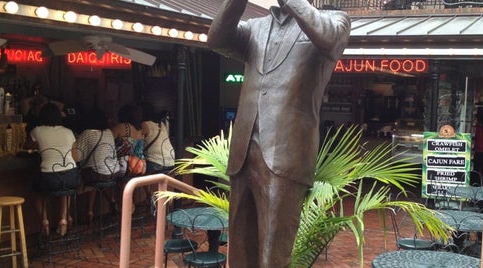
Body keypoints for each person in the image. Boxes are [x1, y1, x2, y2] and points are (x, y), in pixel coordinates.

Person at [208, 0, 351, 266]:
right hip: (243, 153)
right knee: (239, 249)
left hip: (285, 157)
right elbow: (216, 38)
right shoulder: (255, 27)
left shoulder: (336, 21)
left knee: (273, 254)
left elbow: (328, 40)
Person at [31, 103, 80, 237]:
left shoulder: (37, 130)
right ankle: (63, 218)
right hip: (71, 176)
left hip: (49, 179)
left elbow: (28, 146)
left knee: (38, 194)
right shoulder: (68, 132)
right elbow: (75, 158)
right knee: (66, 189)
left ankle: (45, 220)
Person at [74, 109, 119, 225]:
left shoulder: (87, 133)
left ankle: (81, 214)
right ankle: (107, 203)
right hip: (113, 173)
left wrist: (74, 142)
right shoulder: (109, 132)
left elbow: (77, 157)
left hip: (96, 174)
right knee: (97, 179)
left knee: (87, 176)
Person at [139, 103, 174, 175]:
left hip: (156, 163)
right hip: (171, 161)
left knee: (139, 170)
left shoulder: (144, 125)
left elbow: (138, 144)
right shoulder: (161, 124)